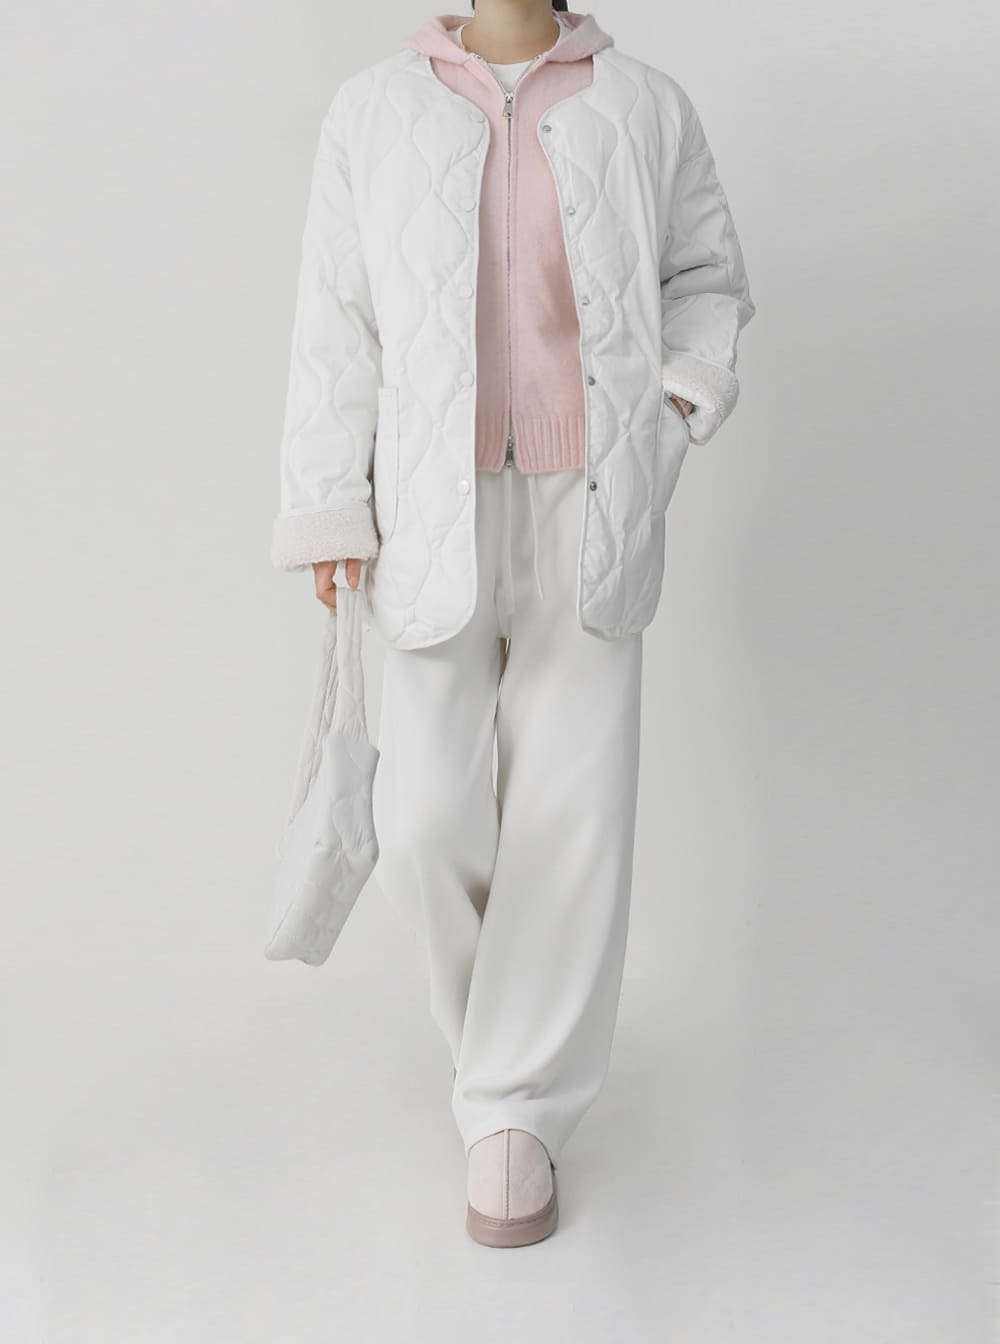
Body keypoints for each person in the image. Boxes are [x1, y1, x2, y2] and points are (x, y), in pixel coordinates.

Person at [270, 1, 755, 1247]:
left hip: (592, 494)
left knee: (569, 813)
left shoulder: (644, 104)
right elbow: (335, 323)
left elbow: (706, 277)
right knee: (422, 815)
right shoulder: (371, 111)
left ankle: (511, 1115)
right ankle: (504, 1063)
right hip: (427, 507)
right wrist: (329, 510)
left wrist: (675, 405)